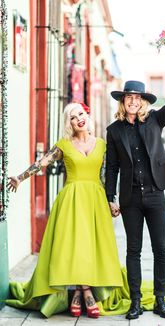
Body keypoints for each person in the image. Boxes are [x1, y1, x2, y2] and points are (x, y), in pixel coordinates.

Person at [6, 102, 123, 318]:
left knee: (91, 247)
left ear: (86, 115)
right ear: (68, 123)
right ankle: (86, 292)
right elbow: (42, 163)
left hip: (96, 199)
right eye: (72, 117)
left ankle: (78, 291)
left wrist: (112, 201)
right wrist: (20, 178)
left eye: (80, 113)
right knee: (76, 246)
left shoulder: (101, 144)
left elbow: (109, 175)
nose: (78, 118)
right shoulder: (64, 145)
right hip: (71, 200)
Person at [105, 64, 165, 320]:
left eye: (138, 97)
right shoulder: (114, 130)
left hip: (156, 194)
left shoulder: (155, 119)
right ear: (124, 101)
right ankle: (135, 302)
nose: (133, 101)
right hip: (130, 198)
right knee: (133, 250)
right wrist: (109, 197)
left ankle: (160, 300)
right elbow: (111, 167)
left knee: (160, 249)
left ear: (143, 101)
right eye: (129, 97)